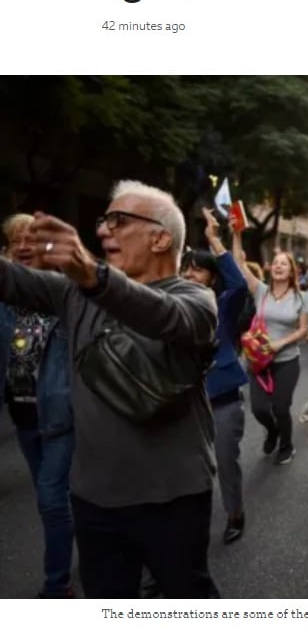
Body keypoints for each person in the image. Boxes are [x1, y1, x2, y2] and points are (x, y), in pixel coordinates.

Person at [0, 181, 218, 598]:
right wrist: (86, 279)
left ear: (161, 237)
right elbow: (10, 281)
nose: (102, 231)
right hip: (94, 498)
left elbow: (163, 316)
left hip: (173, 496)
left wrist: (93, 276)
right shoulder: (73, 293)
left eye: (118, 221)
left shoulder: (196, 298)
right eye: (103, 221)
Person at [0, 213, 75, 598]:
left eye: (31, 239)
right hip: (23, 417)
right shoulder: (5, 302)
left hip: (60, 418)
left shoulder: (63, 293)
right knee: (58, 498)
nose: (24, 246)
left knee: (49, 499)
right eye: (17, 241)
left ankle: (56, 586)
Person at [180, 209, 249, 545]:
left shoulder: (223, 303)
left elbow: (238, 283)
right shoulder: (167, 304)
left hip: (222, 401)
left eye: (199, 270)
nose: (191, 274)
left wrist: (214, 241)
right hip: (182, 404)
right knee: (186, 473)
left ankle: (235, 514)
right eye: (187, 269)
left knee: (225, 463)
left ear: (211, 277)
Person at [234, 243, 308, 466]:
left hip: (286, 360)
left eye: (284, 263)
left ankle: (286, 446)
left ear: (291, 270)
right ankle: (273, 431)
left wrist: (280, 343)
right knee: (258, 409)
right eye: (275, 263)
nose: (278, 266)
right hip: (259, 361)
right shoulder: (261, 291)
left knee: (280, 407)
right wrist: (237, 233)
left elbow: (303, 330)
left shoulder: (299, 297)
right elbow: (239, 263)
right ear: (270, 269)